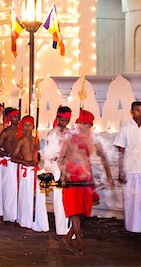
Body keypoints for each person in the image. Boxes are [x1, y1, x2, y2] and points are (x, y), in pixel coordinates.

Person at [57, 109, 114, 255]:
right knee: (75, 212)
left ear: (91, 126)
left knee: (83, 212)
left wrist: (109, 176)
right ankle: (80, 244)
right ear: (77, 123)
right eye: (82, 123)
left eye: (88, 124)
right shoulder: (68, 138)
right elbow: (60, 159)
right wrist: (65, 174)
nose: (84, 127)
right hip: (72, 179)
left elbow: (103, 157)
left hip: (86, 179)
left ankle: (68, 238)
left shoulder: (92, 139)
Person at [114, 101, 141, 233]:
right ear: (131, 111)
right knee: (132, 199)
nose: (140, 113)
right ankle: (132, 227)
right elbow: (121, 150)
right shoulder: (125, 128)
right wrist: (121, 170)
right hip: (131, 169)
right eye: (137, 110)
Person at [12, 116, 48, 232]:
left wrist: (39, 161)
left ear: (33, 126)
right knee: (26, 195)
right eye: (25, 125)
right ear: (22, 127)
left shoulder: (36, 140)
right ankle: (25, 221)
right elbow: (13, 158)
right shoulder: (21, 140)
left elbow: (40, 155)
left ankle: (37, 220)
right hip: (26, 171)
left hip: (36, 171)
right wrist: (26, 163)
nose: (27, 128)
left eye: (30, 125)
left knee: (38, 196)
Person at [43, 106, 72, 235]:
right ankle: (61, 229)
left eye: (67, 119)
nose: (65, 122)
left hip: (69, 166)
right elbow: (50, 153)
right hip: (57, 166)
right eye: (62, 119)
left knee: (69, 197)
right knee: (59, 197)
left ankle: (68, 226)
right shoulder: (53, 133)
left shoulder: (70, 133)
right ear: (58, 118)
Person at [0, 108, 20, 222]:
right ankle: (9, 217)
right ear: (9, 118)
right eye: (14, 117)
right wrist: (8, 155)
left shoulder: (22, 131)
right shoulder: (6, 132)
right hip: (9, 163)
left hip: (20, 163)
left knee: (19, 190)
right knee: (10, 189)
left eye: (18, 116)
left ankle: (18, 215)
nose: (17, 119)